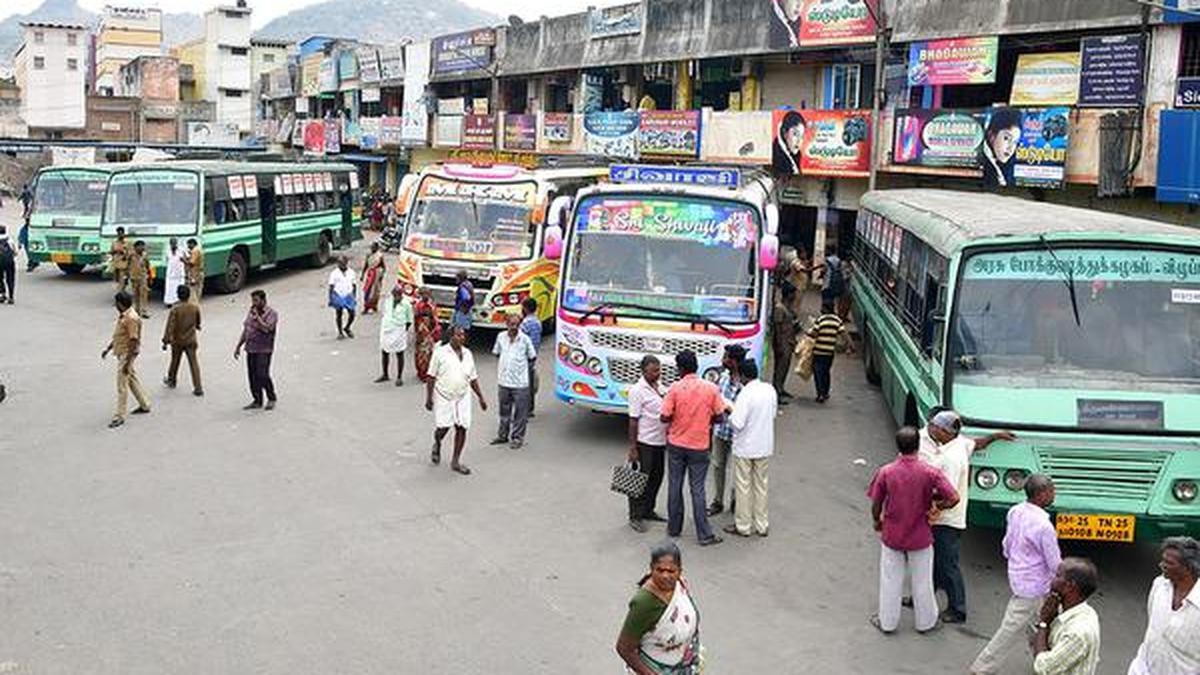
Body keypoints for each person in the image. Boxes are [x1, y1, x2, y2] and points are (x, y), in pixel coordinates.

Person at [920, 409, 1016, 624]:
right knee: (933, 560)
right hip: (940, 516)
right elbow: (977, 444)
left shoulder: (952, 457)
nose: (931, 429)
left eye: (935, 427)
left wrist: (933, 509)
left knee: (948, 564)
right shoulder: (956, 444)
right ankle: (924, 596)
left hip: (946, 518)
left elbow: (949, 495)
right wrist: (994, 437)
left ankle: (957, 608)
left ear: (946, 432)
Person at [867, 426, 959, 634]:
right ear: (918, 446)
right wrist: (936, 507)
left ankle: (887, 622)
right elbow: (953, 497)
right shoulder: (930, 472)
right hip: (921, 535)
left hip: (893, 534)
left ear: (898, 446)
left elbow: (876, 502)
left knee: (890, 579)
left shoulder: (886, 472)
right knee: (923, 580)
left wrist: (876, 521)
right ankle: (925, 622)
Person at [970, 474, 1062, 674]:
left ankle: (1046, 662)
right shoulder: (1044, 527)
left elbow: (1007, 544)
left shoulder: (1015, 511)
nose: (1054, 494)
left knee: (1040, 623)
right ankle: (981, 669)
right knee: (1011, 629)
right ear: (1041, 494)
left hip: (1019, 578)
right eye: (1052, 491)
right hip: (1035, 586)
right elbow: (1054, 562)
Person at [661, 349, 728, 547]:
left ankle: (674, 528)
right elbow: (720, 416)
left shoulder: (674, 388)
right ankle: (704, 534)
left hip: (676, 444)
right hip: (699, 446)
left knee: (675, 485)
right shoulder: (711, 388)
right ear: (696, 366)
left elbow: (664, 416)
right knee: (697, 489)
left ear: (680, 368)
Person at [615, 542, 703, 675]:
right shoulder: (644, 603)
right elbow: (624, 648)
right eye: (660, 570)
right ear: (651, 569)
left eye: (671, 571)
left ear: (680, 571)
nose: (665, 576)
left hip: (683, 663)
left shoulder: (680, 585)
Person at [1127, 537, 1200, 675]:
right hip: (1143, 669)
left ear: (1188, 568)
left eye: (1169, 563)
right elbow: (1152, 625)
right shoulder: (1159, 585)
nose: (1162, 565)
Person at [723, 359, 776, 539]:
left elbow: (737, 423)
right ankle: (762, 525)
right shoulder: (770, 390)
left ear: (744, 376)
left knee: (743, 486)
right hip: (764, 445)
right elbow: (773, 414)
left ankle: (743, 525)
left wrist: (729, 409)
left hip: (745, 447)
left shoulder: (745, 394)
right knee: (762, 485)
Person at [426, 325, 488, 476]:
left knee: (462, 427)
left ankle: (455, 461)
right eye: (458, 335)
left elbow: (472, 377)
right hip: (444, 395)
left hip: (462, 396)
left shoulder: (468, 354)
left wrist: (480, 397)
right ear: (451, 337)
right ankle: (437, 441)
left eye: (463, 335)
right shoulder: (440, 353)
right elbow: (431, 376)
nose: (462, 338)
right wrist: (429, 398)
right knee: (444, 427)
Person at [1032, 558, 1102, 675]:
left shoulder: (1078, 633)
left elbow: (1043, 667)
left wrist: (1044, 623)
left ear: (1070, 586)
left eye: (1057, 576)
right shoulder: (1073, 611)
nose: (1051, 579)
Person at [627, 355, 668, 533]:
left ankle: (648, 510)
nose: (657, 373)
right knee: (640, 480)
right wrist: (633, 447)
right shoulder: (638, 391)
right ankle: (635, 516)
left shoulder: (660, 387)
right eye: (653, 371)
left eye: (659, 370)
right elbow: (633, 421)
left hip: (660, 441)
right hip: (645, 442)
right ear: (644, 371)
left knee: (657, 477)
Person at [101, 291, 151, 428]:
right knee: (131, 379)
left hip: (126, 354)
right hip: (122, 352)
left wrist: (127, 362)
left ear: (120, 304)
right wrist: (109, 348)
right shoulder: (125, 315)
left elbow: (133, 340)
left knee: (121, 385)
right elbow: (119, 335)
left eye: (117, 303)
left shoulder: (131, 319)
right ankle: (144, 404)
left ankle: (120, 416)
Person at [708, 344, 746, 516]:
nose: (722, 360)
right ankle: (718, 501)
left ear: (734, 361)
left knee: (738, 469)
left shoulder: (746, 383)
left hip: (739, 434)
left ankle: (735, 501)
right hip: (720, 431)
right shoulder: (722, 377)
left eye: (726, 358)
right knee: (717, 466)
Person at [490, 313, 537, 450]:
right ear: (506, 324)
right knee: (504, 411)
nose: (514, 327)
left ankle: (517, 437)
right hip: (504, 381)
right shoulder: (501, 337)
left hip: (521, 383)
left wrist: (522, 371)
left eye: (516, 325)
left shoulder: (525, 340)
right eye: (511, 324)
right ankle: (502, 435)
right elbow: (497, 353)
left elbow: (532, 357)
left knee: (520, 412)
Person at [234, 289, 279, 411]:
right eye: (252, 300)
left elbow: (267, 329)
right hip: (251, 348)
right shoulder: (251, 312)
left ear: (264, 300)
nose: (253, 303)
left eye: (256, 300)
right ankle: (257, 400)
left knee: (262, 374)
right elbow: (246, 329)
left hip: (264, 349)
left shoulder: (272, 314)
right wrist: (238, 345)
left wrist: (257, 318)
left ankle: (271, 397)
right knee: (252, 376)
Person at [161, 285, 204, 396]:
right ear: (189, 295)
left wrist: (166, 341)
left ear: (178, 295)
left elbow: (170, 326)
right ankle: (198, 387)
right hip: (191, 340)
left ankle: (172, 380)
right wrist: (198, 326)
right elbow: (198, 321)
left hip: (177, 340)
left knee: (175, 361)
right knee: (193, 363)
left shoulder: (175, 309)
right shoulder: (194, 307)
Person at [807, 301, 847, 403]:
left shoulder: (821, 320)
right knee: (826, 372)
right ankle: (825, 392)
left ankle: (820, 394)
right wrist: (850, 346)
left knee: (818, 373)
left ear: (825, 309)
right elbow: (843, 333)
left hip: (819, 351)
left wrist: (808, 332)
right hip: (829, 352)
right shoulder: (837, 320)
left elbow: (814, 334)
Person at [377, 285, 412, 385]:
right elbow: (385, 313)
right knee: (384, 351)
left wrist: (402, 331)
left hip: (399, 330)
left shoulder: (406, 304)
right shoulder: (388, 301)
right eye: (395, 295)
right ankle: (385, 374)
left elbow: (409, 321)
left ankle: (399, 377)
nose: (397, 297)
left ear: (401, 294)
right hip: (387, 329)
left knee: (399, 353)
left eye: (398, 295)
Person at [981, 108, 1023, 189]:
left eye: (1015, 142)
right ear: (991, 136)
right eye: (1006, 138)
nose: (1010, 148)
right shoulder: (986, 162)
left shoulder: (1007, 167)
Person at [772, 284, 799, 402]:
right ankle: (777, 392)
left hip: (788, 341)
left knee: (785, 367)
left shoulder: (787, 308)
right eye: (793, 294)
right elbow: (777, 327)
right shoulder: (779, 308)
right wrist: (779, 344)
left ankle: (781, 388)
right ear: (788, 295)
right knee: (780, 368)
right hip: (782, 342)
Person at [519, 298, 542, 416]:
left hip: (525, 357)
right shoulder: (537, 322)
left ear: (526, 309)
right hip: (533, 356)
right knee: (530, 383)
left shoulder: (526, 323)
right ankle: (530, 408)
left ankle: (525, 409)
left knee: (523, 385)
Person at [413, 287, 440, 381]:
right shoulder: (418, 305)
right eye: (423, 294)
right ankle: (421, 372)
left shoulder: (431, 305)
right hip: (421, 331)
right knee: (420, 353)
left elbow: (435, 319)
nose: (425, 296)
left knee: (428, 354)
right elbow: (415, 319)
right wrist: (417, 331)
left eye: (426, 294)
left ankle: (425, 373)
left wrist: (434, 330)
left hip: (429, 331)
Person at [328, 255, 358, 339]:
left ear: (346, 263)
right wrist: (331, 298)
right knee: (339, 314)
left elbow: (354, 285)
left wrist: (354, 296)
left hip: (349, 295)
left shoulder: (351, 272)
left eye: (342, 263)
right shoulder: (334, 273)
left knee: (352, 313)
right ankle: (340, 332)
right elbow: (331, 286)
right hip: (338, 295)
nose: (340, 264)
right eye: (339, 263)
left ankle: (347, 327)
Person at [772, 110, 805, 175]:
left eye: (801, 136)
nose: (799, 141)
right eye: (795, 134)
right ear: (785, 133)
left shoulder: (796, 156)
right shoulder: (777, 156)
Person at [128, 240, 151, 319]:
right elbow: (127, 265)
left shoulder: (145, 256)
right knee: (135, 295)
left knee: (143, 294)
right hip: (134, 277)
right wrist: (127, 275)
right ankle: (136, 310)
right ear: (135, 247)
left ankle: (144, 311)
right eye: (140, 246)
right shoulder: (131, 255)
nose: (142, 248)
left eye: (143, 246)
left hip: (143, 277)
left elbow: (148, 265)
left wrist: (149, 275)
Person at [361, 242, 385, 314]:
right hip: (370, 274)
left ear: (377, 248)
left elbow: (383, 266)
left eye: (373, 247)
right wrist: (362, 274)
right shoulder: (368, 255)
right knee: (367, 290)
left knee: (375, 292)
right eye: (371, 247)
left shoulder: (380, 255)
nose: (372, 249)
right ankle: (366, 307)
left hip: (377, 274)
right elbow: (366, 265)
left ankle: (374, 306)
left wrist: (381, 275)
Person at [163, 238, 188, 307]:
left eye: (174, 243)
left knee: (179, 287)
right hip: (171, 273)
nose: (173, 244)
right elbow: (167, 260)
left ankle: (179, 301)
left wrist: (183, 260)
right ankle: (169, 302)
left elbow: (186, 260)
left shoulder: (181, 250)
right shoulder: (167, 250)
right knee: (169, 288)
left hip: (179, 273)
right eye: (172, 243)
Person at [109, 227, 130, 292]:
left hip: (124, 265)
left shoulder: (128, 243)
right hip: (116, 265)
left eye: (121, 233)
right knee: (117, 281)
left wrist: (123, 253)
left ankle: (120, 295)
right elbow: (111, 252)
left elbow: (131, 253)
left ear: (124, 234)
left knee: (122, 281)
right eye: (118, 233)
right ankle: (121, 292)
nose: (120, 235)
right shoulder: (114, 242)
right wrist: (114, 251)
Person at [0, 226, 16, 305]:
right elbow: (15, 252)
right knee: (10, 279)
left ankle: (2, 294)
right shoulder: (10, 240)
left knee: (0, 278)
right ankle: (11, 297)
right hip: (10, 262)